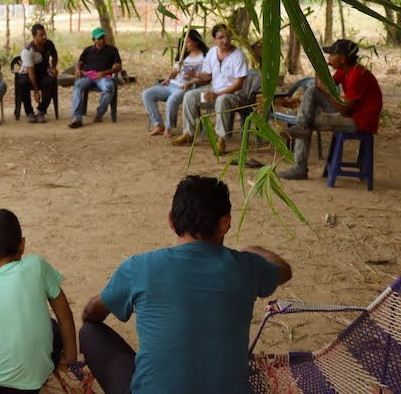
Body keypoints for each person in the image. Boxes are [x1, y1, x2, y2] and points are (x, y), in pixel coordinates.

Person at [80, 176, 292, 394]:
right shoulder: (247, 267)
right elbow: (284, 269)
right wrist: (252, 250)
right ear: (224, 223)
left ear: (171, 220)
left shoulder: (139, 267)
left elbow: (91, 312)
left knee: (89, 332)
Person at [0, 209, 77, 393]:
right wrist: (70, 355)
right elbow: (64, 313)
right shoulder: (37, 265)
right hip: (37, 379)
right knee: (53, 326)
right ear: (22, 245)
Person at [279, 39, 383, 180]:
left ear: (343, 59)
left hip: (360, 121)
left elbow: (345, 111)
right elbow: (320, 84)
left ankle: (300, 167)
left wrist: (327, 92)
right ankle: (302, 127)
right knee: (312, 91)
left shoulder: (356, 76)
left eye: (332, 55)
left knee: (307, 123)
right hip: (351, 113)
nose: (329, 58)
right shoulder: (344, 70)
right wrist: (320, 67)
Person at [172, 23, 249, 153]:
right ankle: (188, 134)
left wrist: (218, 94)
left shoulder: (238, 56)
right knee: (190, 96)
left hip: (236, 97)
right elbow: (208, 76)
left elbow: (238, 84)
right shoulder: (212, 53)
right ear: (214, 40)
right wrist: (195, 75)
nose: (225, 41)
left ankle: (221, 139)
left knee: (222, 100)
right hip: (214, 95)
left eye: (228, 37)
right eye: (221, 37)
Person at [142, 29, 209, 138]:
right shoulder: (184, 56)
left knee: (172, 100)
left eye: (188, 42)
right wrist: (168, 79)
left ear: (196, 42)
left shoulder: (204, 57)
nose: (185, 45)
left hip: (187, 87)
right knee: (147, 94)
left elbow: (205, 77)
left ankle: (169, 128)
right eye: (184, 42)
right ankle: (159, 125)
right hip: (173, 84)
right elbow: (174, 71)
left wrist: (191, 81)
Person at [68, 27, 122, 128]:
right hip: (88, 76)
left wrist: (106, 72)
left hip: (104, 77)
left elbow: (118, 66)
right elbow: (79, 62)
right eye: (99, 38)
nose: (102, 40)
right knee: (78, 86)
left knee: (109, 87)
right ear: (94, 40)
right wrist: (77, 69)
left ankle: (99, 113)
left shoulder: (112, 50)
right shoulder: (88, 50)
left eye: (103, 37)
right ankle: (77, 118)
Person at [17, 24, 59, 123]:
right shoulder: (28, 51)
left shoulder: (49, 44)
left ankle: (41, 111)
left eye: (45, 34)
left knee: (51, 81)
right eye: (41, 35)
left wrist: (53, 67)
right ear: (34, 36)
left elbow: (55, 56)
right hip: (29, 73)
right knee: (23, 82)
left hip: (43, 72)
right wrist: (36, 91)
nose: (44, 37)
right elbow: (31, 73)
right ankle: (29, 112)